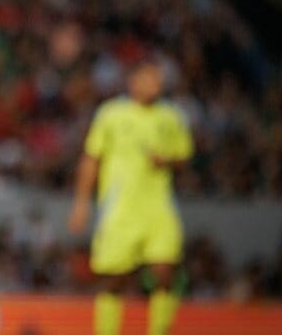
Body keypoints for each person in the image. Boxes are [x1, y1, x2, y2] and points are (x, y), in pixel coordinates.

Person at [68, 58, 194, 335]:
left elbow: (184, 158)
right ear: (133, 81)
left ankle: (159, 331)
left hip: (159, 205)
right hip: (120, 208)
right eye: (150, 79)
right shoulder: (111, 115)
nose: (155, 85)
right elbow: (91, 158)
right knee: (114, 279)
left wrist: (168, 161)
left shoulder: (171, 117)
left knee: (165, 271)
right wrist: (81, 202)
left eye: (159, 80)